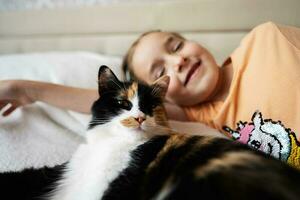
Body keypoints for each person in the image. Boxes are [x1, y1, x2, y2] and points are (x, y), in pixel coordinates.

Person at [1, 22, 300, 167]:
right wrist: (27, 89)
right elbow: (114, 103)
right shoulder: (200, 120)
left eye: (176, 46)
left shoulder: (266, 40)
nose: (178, 61)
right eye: (160, 72)